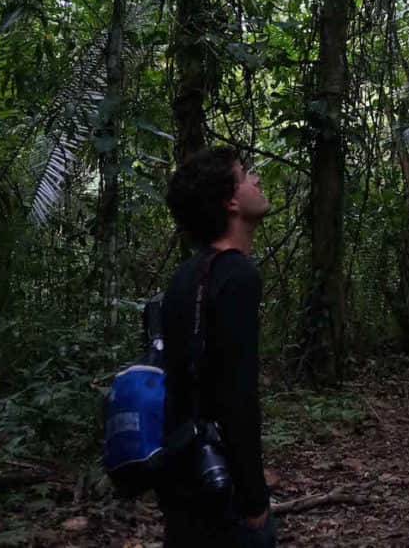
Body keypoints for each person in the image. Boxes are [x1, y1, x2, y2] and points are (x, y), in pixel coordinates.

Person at [160, 146, 276, 547]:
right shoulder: (238, 277)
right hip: (220, 485)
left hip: (183, 477)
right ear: (230, 201)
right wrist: (254, 497)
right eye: (245, 175)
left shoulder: (185, 276)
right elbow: (237, 397)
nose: (256, 181)